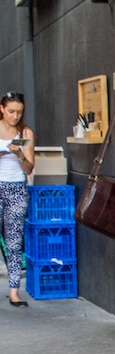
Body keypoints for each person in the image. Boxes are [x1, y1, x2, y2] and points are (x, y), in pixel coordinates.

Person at [0, 91, 35, 307]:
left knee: (13, 242)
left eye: (19, 112)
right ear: (2, 109)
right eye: (11, 111)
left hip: (17, 189)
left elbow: (30, 167)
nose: (15, 116)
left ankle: (14, 292)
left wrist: (19, 154)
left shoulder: (26, 132)